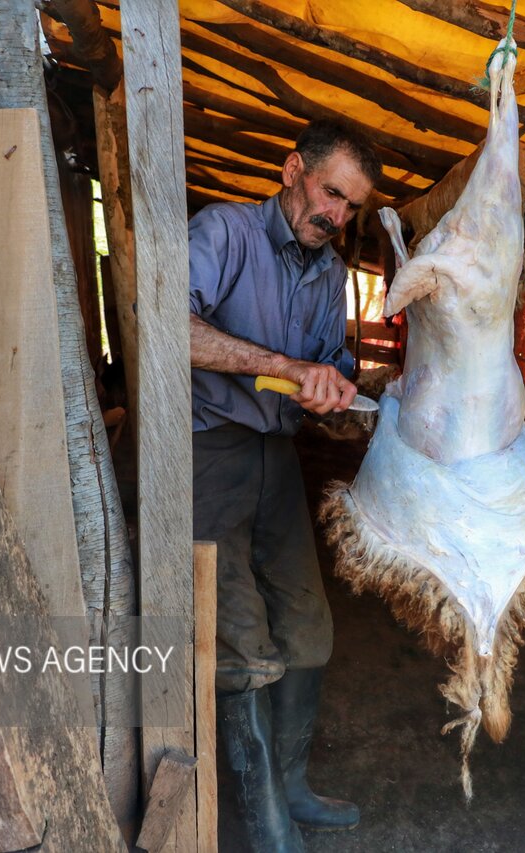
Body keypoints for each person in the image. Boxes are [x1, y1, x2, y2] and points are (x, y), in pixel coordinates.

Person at [187, 119, 381, 851]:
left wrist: (339, 397)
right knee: (242, 642)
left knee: (308, 630)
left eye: (351, 207)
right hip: (205, 452)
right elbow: (170, 327)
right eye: (331, 192)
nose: (336, 216)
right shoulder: (225, 231)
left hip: (276, 457)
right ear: (292, 169)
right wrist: (288, 367)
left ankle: (292, 788)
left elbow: (329, 365)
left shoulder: (330, 273)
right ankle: (264, 823)